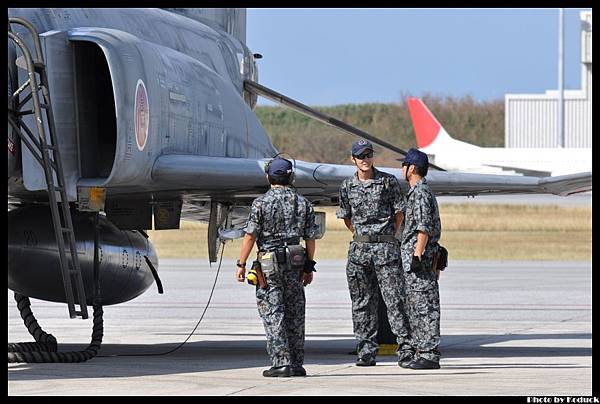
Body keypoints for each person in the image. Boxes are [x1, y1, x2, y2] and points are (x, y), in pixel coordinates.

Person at [236, 156, 319, 377]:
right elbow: (310, 239)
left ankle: (281, 362)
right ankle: (296, 363)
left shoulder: (260, 203)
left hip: (269, 265)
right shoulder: (303, 203)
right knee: (295, 313)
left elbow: (250, 237)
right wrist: (309, 267)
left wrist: (241, 263)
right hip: (296, 262)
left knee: (273, 312)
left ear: (268, 177)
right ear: (290, 177)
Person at [336, 139, 410, 367]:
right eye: (361, 156)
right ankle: (366, 351)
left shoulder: (387, 182)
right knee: (361, 302)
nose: (365, 160)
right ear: (353, 159)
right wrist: (361, 235)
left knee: (394, 300)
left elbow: (400, 213)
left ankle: (406, 349)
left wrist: (387, 235)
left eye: (368, 155)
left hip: (385, 250)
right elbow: (346, 216)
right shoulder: (347, 186)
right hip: (360, 251)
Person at [398, 148, 442, 370]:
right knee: (416, 305)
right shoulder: (417, 192)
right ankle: (422, 351)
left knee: (425, 306)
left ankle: (429, 354)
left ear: (412, 168)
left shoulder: (421, 193)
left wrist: (417, 254)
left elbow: (423, 228)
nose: (402, 168)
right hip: (415, 260)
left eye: (404, 165)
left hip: (420, 260)